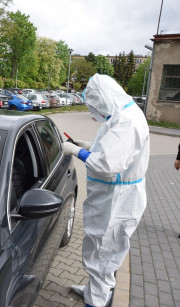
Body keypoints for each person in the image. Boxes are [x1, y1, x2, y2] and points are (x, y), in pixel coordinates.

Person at [62, 74, 150, 307]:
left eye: (94, 106)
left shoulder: (127, 121)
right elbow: (112, 151)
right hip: (114, 196)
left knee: (102, 253)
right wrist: (88, 146)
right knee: (103, 252)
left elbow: (109, 165)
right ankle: (95, 291)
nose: (94, 113)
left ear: (102, 99)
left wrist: (76, 152)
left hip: (116, 201)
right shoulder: (122, 114)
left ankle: (96, 302)